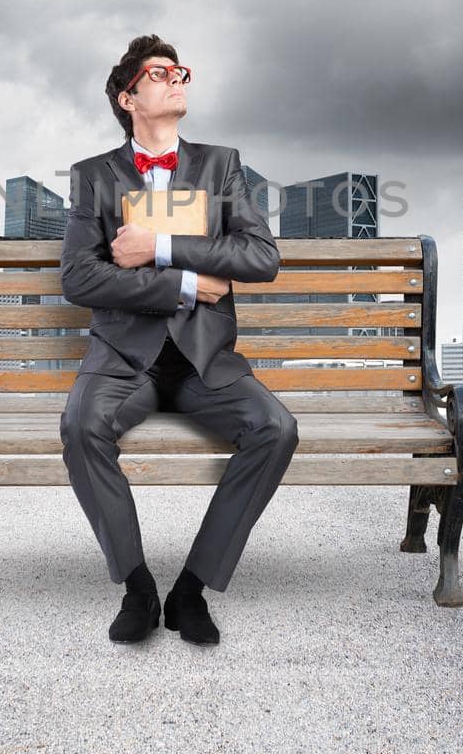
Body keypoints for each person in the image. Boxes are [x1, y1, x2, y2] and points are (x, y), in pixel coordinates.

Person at [59, 34, 298, 647]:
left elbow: (260, 256)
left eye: (180, 71)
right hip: (123, 360)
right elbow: (80, 276)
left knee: (276, 427)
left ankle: (191, 588)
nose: (177, 79)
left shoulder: (222, 165)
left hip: (204, 362)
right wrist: (188, 283)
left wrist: (158, 248)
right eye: (160, 73)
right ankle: (137, 587)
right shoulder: (93, 176)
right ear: (128, 97)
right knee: (81, 426)